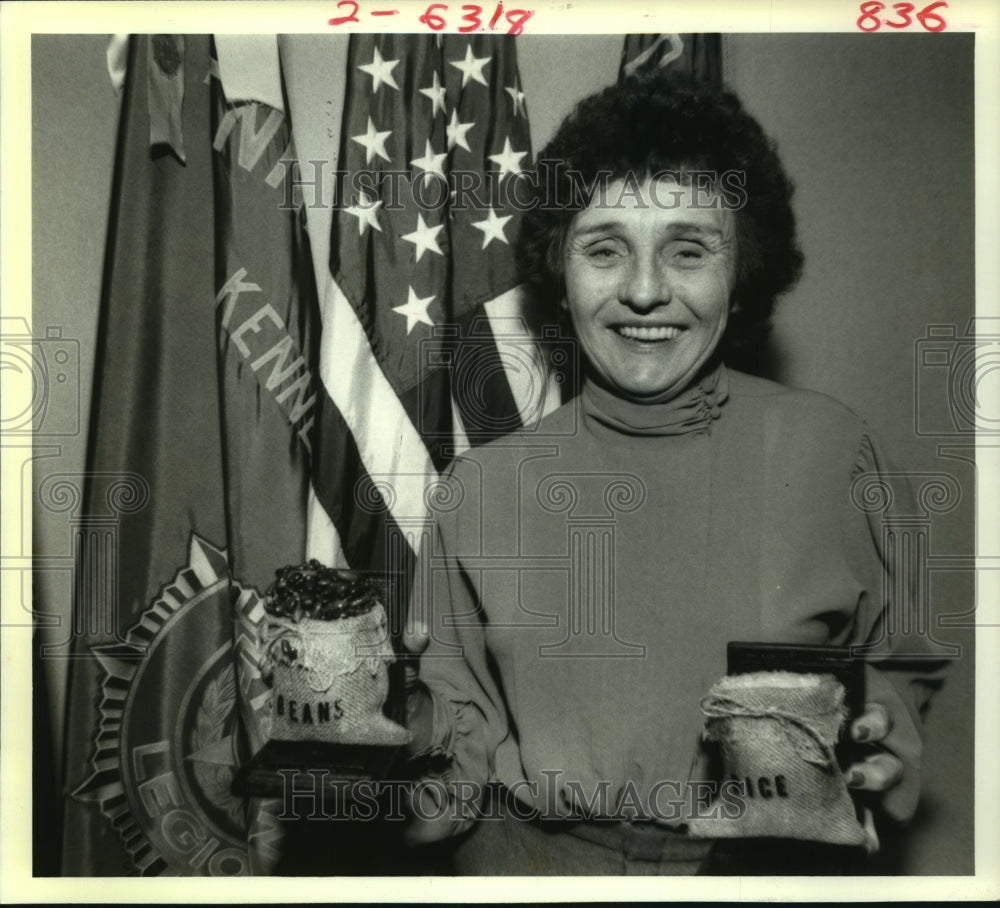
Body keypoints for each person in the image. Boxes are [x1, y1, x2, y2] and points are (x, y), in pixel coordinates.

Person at [399, 73, 947, 875]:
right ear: (559, 270)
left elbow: (903, 666)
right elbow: (456, 745)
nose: (646, 291)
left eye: (688, 250)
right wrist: (394, 745)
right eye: (605, 249)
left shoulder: (837, 454)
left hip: (766, 874)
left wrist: (876, 746)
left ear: (742, 268)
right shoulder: (480, 490)